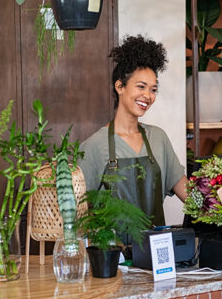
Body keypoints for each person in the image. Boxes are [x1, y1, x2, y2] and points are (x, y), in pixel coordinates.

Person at [79, 35, 188, 228]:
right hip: (113, 255)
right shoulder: (94, 146)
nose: (148, 96)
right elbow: (77, 211)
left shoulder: (158, 138)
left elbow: (187, 192)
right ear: (120, 86)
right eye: (141, 87)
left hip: (156, 250)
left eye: (153, 89)